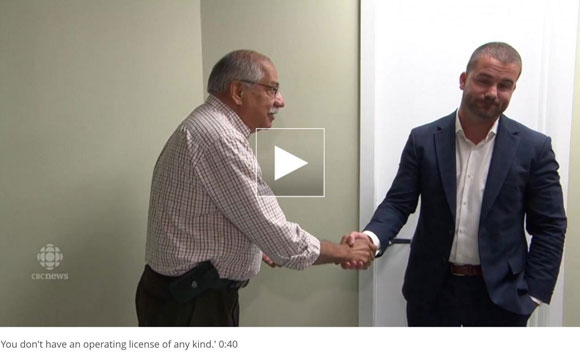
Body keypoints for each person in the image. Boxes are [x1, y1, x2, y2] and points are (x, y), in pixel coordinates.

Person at [135, 50, 376, 327]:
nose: (280, 101)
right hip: (192, 305)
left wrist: (251, 245)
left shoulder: (207, 125)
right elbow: (280, 238)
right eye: (272, 89)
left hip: (185, 298)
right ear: (238, 91)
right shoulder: (221, 139)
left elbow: (207, 214)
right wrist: (344, 252)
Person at [343, 42, 566, 326]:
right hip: (431, 292)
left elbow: (550, 226)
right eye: (484, 80)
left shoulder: (535, 148)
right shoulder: (423, 140)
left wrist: (533, 293)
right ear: (464, 80)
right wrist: (371, 239)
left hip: (501, 297)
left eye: (504, 85)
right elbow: (398, 203)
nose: (492, 93)